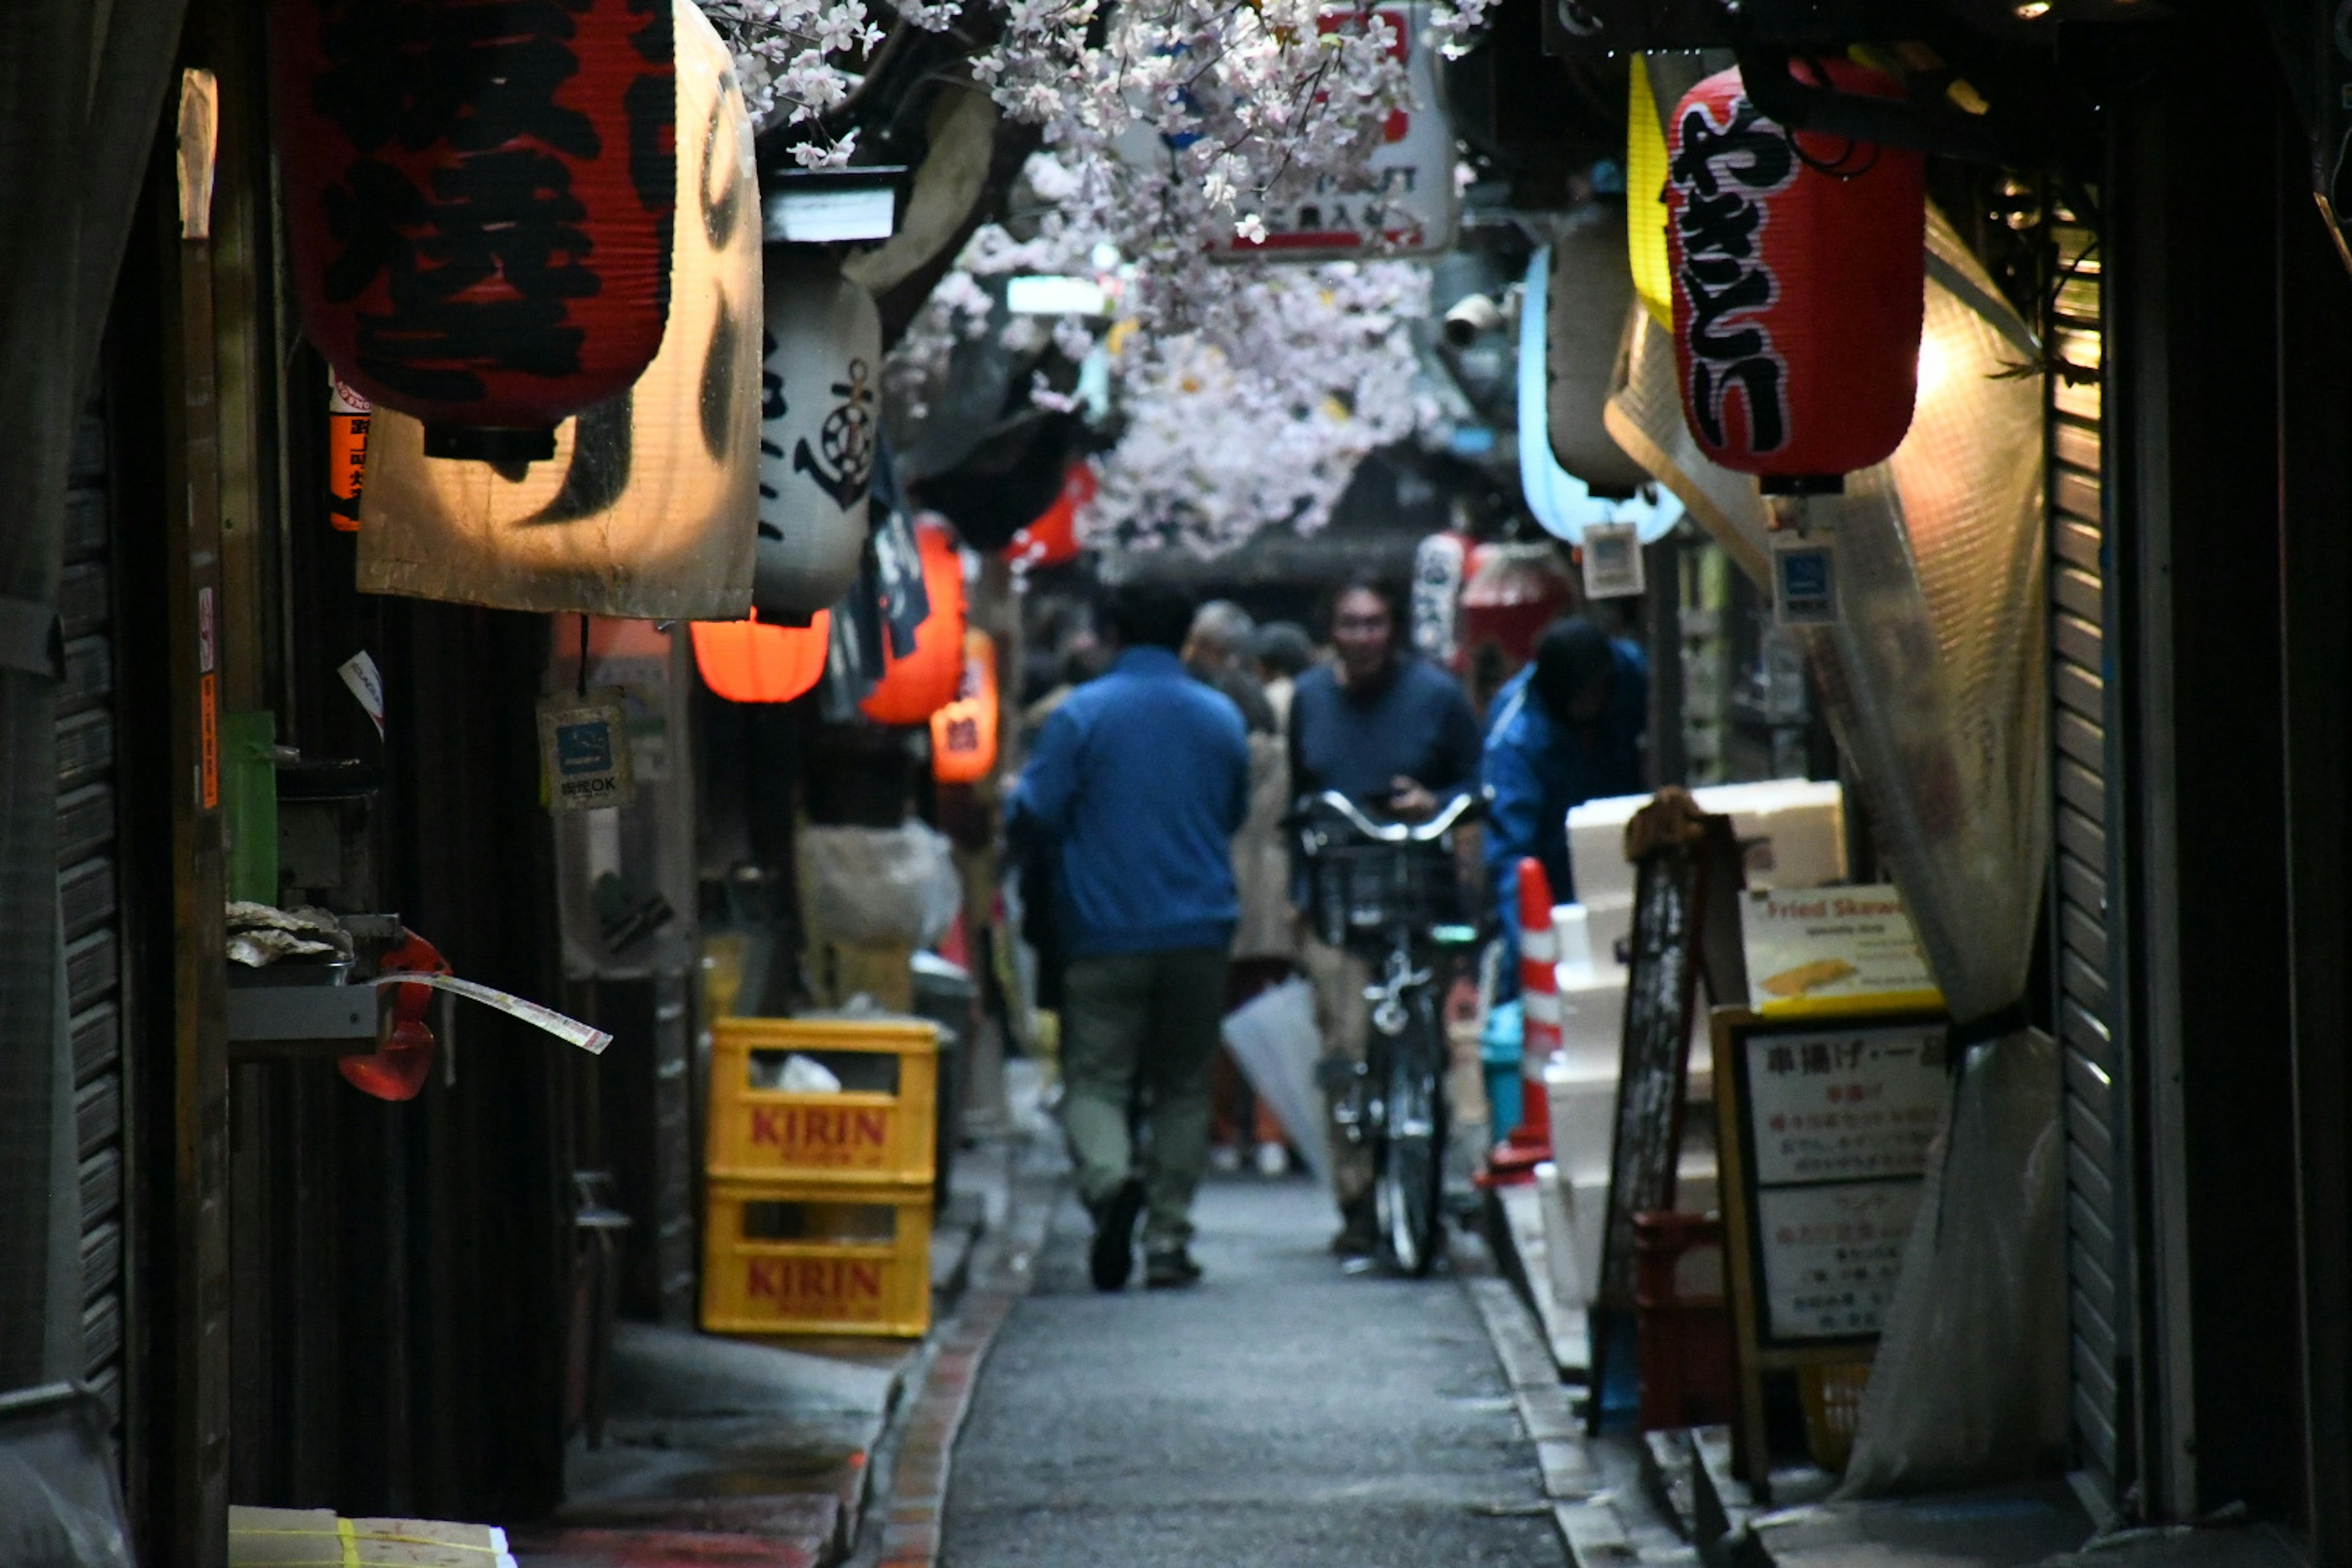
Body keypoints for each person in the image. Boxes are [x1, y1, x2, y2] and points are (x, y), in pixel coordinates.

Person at [1006, 581, 1250, 1292]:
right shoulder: (1219, 717)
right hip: (1199, 925)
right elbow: (1232, 810)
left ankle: (1113, 1188)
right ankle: (1169, 1240)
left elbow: (1039, 813)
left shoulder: (1081, 716)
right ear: (1185, 634)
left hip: (1103, 927)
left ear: (1110, 633)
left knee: (1097, 1079)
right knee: (1181, 1086)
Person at [1286, 578, 1483, 1257]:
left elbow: (1477, 779)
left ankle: (1424, 1144)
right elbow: (1297, 798)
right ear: (1331, 628)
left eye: (1374, 623)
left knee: (1418, 1029)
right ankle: (1357, 1200)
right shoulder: (1311, 697)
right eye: (1350, 622)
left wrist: (1436, 801)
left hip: (1419, 886)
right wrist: (1297, 889)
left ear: (1392, 628)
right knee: (1346, 1046)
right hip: (1340, 894)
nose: (1363, 636)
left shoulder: (1436, 696)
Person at [1185, 601, 1295, 1178]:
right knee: (1275, 1016)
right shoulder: (1285, 749)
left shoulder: (1205, 753)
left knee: (1218, 1025)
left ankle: (1223, 1130)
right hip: (1276, 896)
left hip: (1218, 891)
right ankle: (1275, 1132)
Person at [1480, 613, 1649, 974]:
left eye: (1600, 691)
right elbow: (1512, 858)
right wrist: (1538, 952)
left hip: (1631, 861)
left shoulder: (1629, 673)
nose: (1595, 702)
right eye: (1583, 695)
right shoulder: (1518, 737)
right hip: (1558, 881)